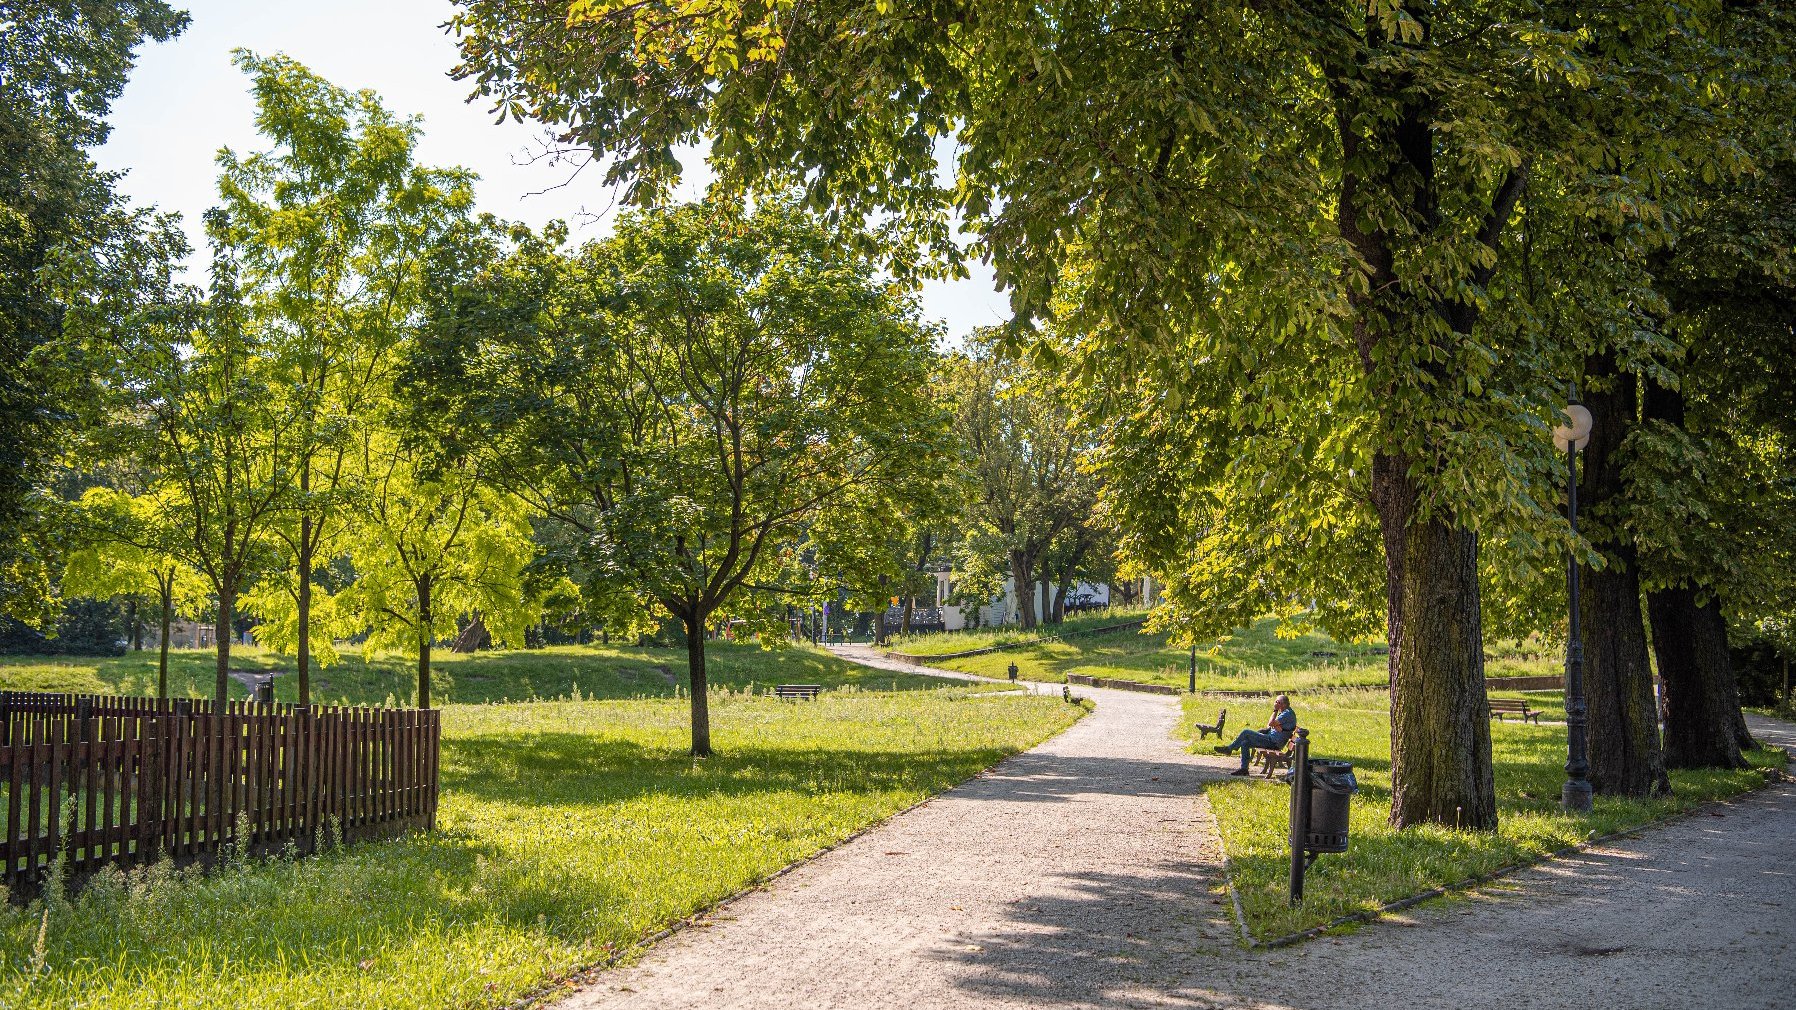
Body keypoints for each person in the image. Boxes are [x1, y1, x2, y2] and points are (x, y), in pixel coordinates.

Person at [1212, 695, 1296, 777]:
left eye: (1277, 702)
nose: (1275, 704)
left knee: (1246, 732)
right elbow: (1269, 725)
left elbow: (1271, 723)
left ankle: (1229, 749)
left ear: (1283, 704)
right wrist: (1274, 724)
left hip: (1273, 742)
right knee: (1245, 743)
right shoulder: (1285, 712)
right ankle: (1244, 769)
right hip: (1271, 739)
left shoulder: (1287, 714)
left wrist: (1275, 710)